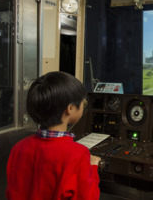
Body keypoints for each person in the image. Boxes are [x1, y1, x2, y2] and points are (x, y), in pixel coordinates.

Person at [6, 71, 101, 200]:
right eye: (81, 101)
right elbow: (89, 197)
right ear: (70, 108)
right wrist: (92, 168)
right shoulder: (78, 155)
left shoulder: (18, 148)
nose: (83, 105)